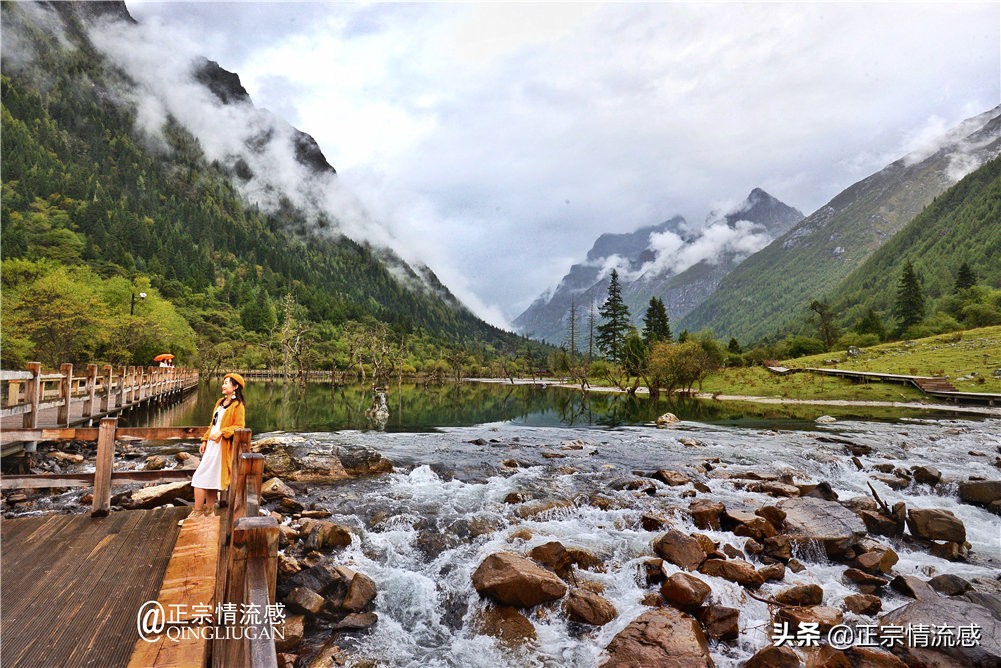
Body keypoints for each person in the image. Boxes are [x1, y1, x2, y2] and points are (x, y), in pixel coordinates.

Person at [190, 373, 246, 518]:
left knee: (202, 477)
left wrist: (222, 432)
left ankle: (198, 512)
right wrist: (204, 440)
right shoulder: (220, 402)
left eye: (227, 383)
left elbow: (239, 426)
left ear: (235, 387)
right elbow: (212, 424)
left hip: (222, 447)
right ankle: (208, 511)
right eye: (224, 382)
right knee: (207, 476)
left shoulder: (238, 406)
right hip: (211, 445)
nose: (223, 385)